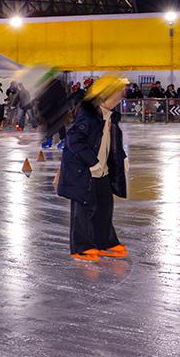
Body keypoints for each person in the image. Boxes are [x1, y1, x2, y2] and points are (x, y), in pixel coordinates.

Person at [54, 76, 129, 263]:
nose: (121, 97)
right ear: (104, 96)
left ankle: (105, 242)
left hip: (102, 170)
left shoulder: (111, 117)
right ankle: (82, 246)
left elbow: (112, 144)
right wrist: (92, 162)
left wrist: (122, 159)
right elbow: (73, 141)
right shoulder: (88, 117)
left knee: (104, 206)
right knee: (84, 208)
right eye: (117, 93)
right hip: (83, 171)